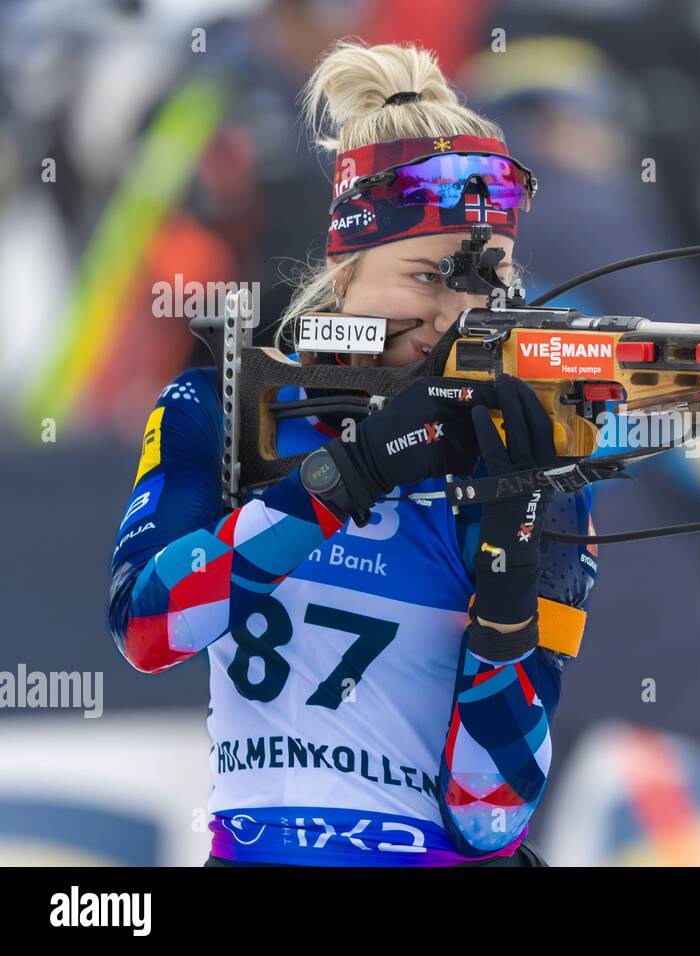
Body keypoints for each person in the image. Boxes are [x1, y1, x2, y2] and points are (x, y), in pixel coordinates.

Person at [106, 41, 597, 867]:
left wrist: (510, 571)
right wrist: (350, 475)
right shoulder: (225, 414)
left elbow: (490, 817)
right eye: (426, 276)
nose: (456, 314)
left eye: (487, 279)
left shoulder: (535, 467)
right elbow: (149, 632)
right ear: (345, 276)